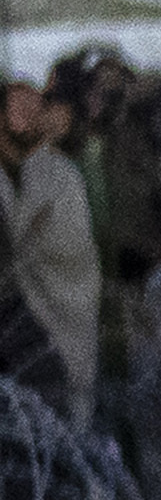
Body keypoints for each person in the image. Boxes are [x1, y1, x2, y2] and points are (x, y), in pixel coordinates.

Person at [0, 62, 92, 406]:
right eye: (20, 107)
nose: (31, 115)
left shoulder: (57, 175)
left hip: (37, 326)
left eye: (35, 106)